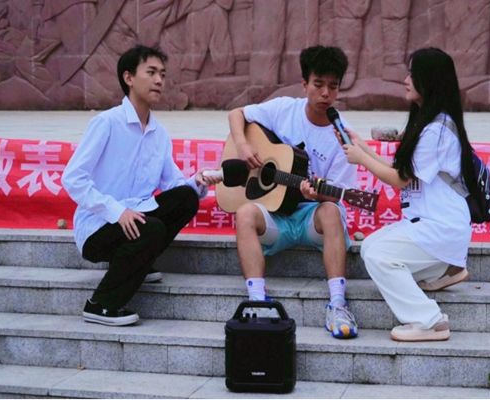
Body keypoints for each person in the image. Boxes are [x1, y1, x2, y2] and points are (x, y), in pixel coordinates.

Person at [61, 45, 220, 327]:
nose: (159, 80)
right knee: (151, 228)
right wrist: (116, 211)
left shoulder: (159, 134)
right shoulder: (107, 123)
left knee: (186, 197)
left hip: (137, 220)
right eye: (151, 73)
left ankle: (140, 260)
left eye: (163, 74)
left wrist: (198, 180)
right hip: (98, 227)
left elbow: (173, 184)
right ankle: (100, 304)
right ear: (129, 77)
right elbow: (73, 178)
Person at [340, 47, 474, 341]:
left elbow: (400, 180)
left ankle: (429, 321)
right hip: (430, 224)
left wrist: (361, 159)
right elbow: (402, 171)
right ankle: (442, 271)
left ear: (430, 80)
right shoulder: (431, 123)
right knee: (370, 246)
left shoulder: (436, 130)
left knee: (379, 256)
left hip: (441, 226)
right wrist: (363, 147)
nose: (405, 80)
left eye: (413, 74)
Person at [227, 45, 359, 339]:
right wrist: (243, 145)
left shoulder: (343, 136)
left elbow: (341, 193)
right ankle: (257, 301)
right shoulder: (284, 109)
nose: (325, 93)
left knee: (331, 211)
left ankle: (338, 303)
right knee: (245, 213)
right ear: (304, 84)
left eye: (333, 87)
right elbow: (237, 113)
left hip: (312, 218)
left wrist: (318, 194)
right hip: (276, 216)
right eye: (318, 84)